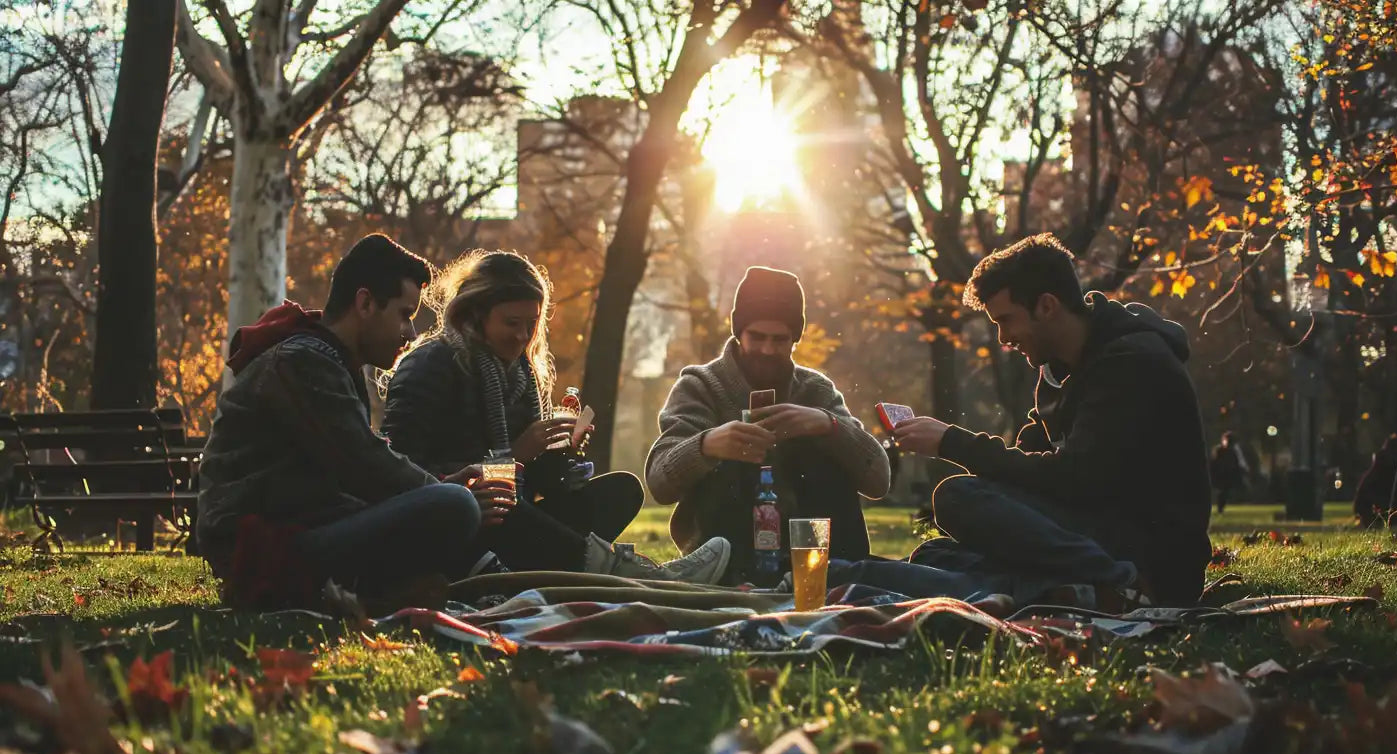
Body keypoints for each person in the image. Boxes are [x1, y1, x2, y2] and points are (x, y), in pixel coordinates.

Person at [891, 234, 1212, 608]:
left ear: (1046, 306)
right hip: (1089, 531)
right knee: (936, 555)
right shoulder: (1056, 373)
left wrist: (952, 443)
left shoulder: (1133, 361)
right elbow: (1026, 470)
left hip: (1152, 554)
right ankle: (1068, 591)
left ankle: (1122, 585)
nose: (1004, 338)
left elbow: (1078, 477)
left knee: (956, 496)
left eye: (1006, 320)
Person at [382, 249, 729, 583]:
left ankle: (555, 561)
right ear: (475, 314)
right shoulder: (432, 363)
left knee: (622, 490)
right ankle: (636, 573)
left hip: (512, 515)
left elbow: (535, 483)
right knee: (506, 506)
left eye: (531, 324)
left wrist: (562, 455)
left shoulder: (522, 375)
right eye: (511, 322)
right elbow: (398, 471)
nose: (521, 336)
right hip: (460, 519)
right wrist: (515, 454)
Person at [197, 234, 489, 608]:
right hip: (267, 551)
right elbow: (365, 466)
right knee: (456, 506)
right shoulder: (303, 361)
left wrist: (441, 486)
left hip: (303, 528)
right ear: (365, 303)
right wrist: (443, 490)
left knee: (452, 500)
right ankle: (400, 587)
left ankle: (401, 588)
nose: (411, 334)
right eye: (404, 314)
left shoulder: (325, 359)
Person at [645, 265, 892, 583]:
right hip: (726, 546)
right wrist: (707, 445)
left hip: (812, 550)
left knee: (822, 456)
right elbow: (659, 482)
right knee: (735, 460)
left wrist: (828, 426)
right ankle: (736, 575)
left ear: (795, 340)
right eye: (757, 337)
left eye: (780, 340)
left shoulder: (815, 390)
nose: (767, 349)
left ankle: (839, 573)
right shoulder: (701, 385)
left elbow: (878, 480)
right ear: (738, 332)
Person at [1209, 431, 1250, 513]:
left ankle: (1221, 507)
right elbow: (1214, 462)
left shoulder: (1233, 450)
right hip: (1221, 473)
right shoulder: (1220, 450)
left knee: (1225, 491)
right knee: (1222, 491)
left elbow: (1236, 461)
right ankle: (1220, 507)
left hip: (1227, 473)